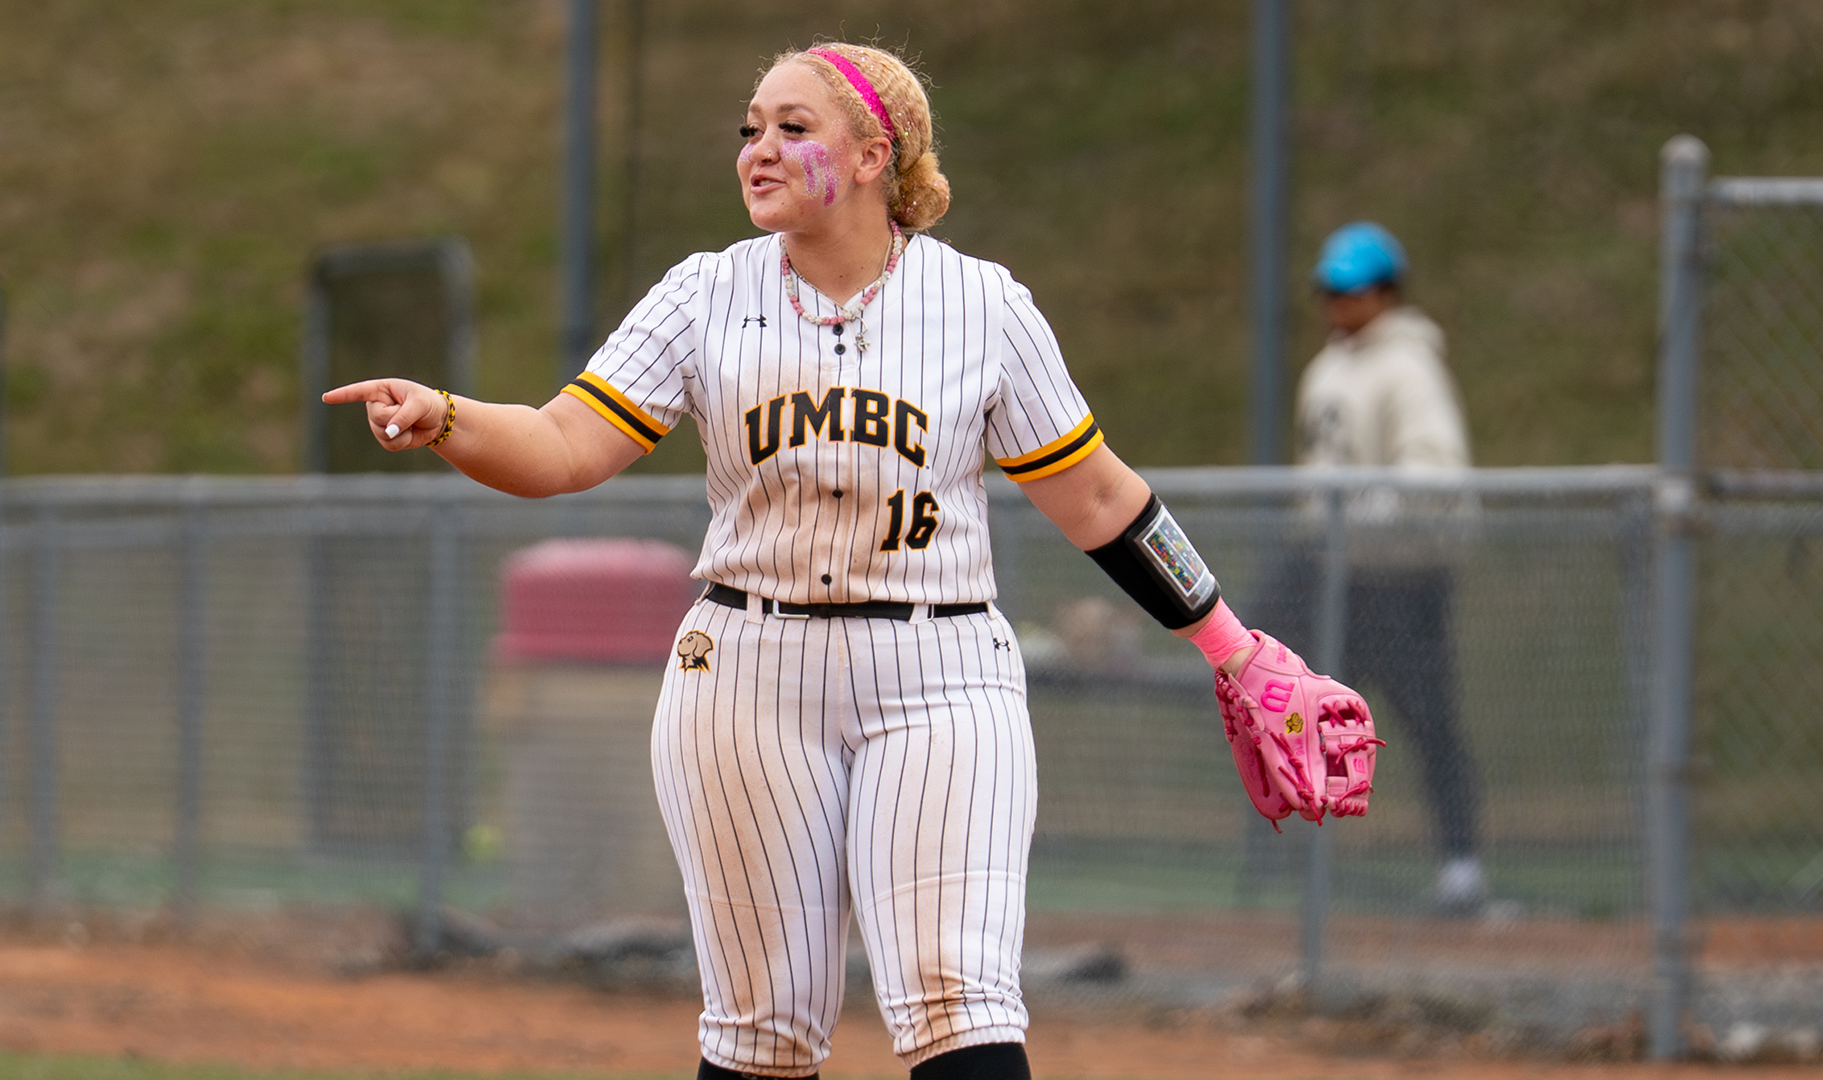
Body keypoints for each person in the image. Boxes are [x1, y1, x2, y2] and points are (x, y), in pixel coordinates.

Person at [326, 43, 1318, 1080]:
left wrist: (1233, 648)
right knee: (762, 1032)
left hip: (941, 676)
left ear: (871, 154)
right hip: (748, 672)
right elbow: (563, 445)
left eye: (793, 128)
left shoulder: (981, 306)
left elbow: (1101, 499)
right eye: (750, 128)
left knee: (960, 997)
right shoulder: (706, 295)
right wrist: (444, 415)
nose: (759, 149)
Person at [1290, 221, 1484, 911]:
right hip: (1337, 574)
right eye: (1329, 291)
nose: (1338, 304)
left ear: (1387, 294)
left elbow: (1433, 475)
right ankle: (1295, 862)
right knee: (1294, 708)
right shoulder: (1329, 367)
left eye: (1353, 291)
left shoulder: (1409, 367)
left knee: (1428, 716)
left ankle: (1462, 866)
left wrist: (1357, 517)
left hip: (1400, 578)